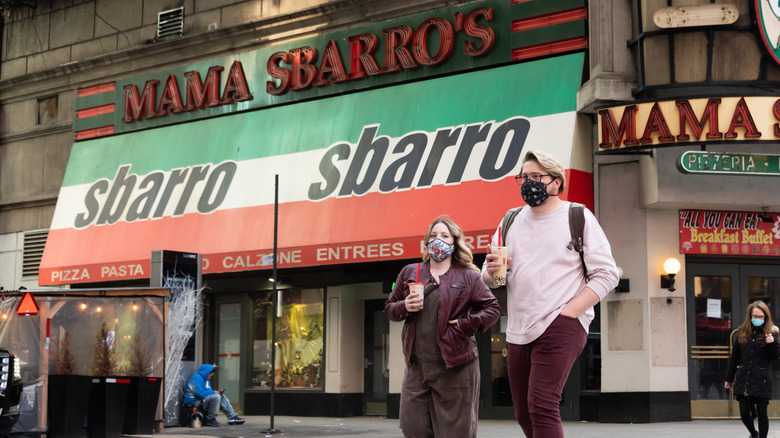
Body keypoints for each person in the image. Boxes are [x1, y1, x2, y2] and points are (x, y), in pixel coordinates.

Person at [482, 150, 619, 437]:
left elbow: (607, 274)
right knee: (523, 412)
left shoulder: (578, 216)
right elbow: (491, 278)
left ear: (556, 182)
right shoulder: (510, 220)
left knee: (542, 404)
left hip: (561, 323)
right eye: (524, 177)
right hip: (519, 327)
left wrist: (569, 313)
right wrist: (491, 271)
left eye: (536, 177)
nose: (528, 183)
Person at [385, 216, 500, 437]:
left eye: (445, 236)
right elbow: (390, 307)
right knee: (413, 428)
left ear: (454, 242)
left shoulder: (468, 276)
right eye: (434, 236)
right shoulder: (410, 272)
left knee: (455, 432)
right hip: (417, 368)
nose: (438, 240)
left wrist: (467, 324)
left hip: (456, 367)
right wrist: (404, 306)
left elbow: (492, 308)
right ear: (427, 242)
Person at [725, 301, 780, 438]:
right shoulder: (742, 333)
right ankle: (753, 433)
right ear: (750, 316)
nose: (758, 319)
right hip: (744, 378)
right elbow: (735, 357)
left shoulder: (771, 333)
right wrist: (729, 378)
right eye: (755, 316)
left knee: (762, 413)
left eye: (761, 317)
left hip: (762, 378)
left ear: (766, 317)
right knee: (744, 413)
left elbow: (775, 357)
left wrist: (772, 344)